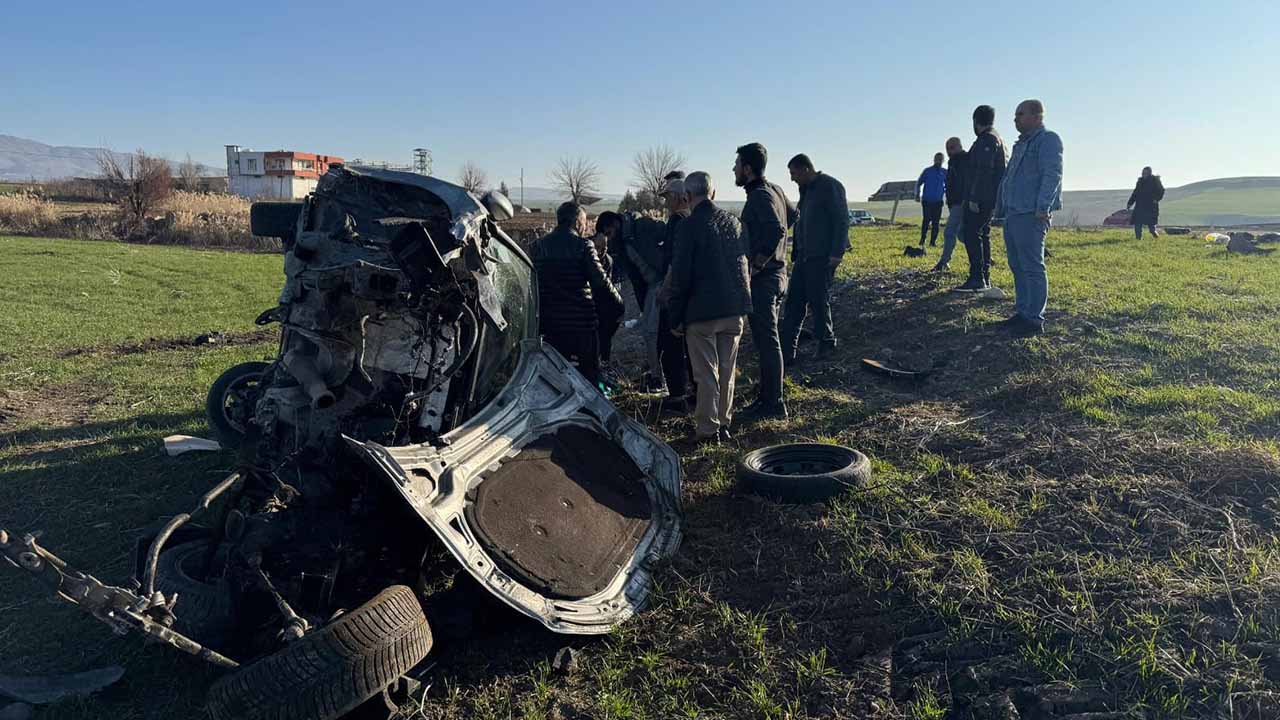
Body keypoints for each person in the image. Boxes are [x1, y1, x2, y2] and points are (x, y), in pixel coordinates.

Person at [667, 171, 752, 443]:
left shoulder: (688, 227)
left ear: (687, 197)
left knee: (706, 375)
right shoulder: (734, 223)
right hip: (734, 309)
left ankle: (707, 429)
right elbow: (744, 265)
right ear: (713, 193)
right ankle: (725, 423)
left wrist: (675, 316)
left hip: (701, 313)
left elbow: (680, 276)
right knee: (727, 370)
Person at [734, 142, 797, 421]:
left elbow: (777, 228)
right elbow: (792, 215)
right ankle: (768, 396)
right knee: (767, 340)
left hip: (766, 277)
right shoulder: (776, 190)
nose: (733, 169)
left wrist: (758, 263)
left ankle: (773, 403)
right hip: (779, 274)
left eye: (736, 165)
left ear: (747, 169)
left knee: (768, 340)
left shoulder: (759, 196)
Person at [531, 202, 623, 386]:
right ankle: (588, 412)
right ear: (576, 222)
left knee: (556, 377)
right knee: (588, 376)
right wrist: (619, 304)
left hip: (550, 325)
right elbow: (601, 283)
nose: (585, 227)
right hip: (581, 324)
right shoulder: (583, 246)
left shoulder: (538, 246)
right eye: (583, 222)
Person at [994, 99, 1063, 338]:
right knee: (1017, 266)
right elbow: (1009, 177)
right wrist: (999, 208)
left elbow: (1052, 174)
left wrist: (1043, 206)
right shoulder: (1019, 145)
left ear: (1037, 116)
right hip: (1013, 213)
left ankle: (1034, 318)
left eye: (1020, 114)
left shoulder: (1048, 140)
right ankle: (1022, 313)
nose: (1016, 119)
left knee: (1032, 266)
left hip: (1032, 214)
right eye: (1015, 115)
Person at [779, 154, 849, 365]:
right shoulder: (806, 190)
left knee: (818, 301)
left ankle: (826, 343)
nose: (792, 179)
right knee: (794, 303)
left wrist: (837, 252)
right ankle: (787, 350)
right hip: (804, 256)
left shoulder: (830, 186)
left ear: (806, 169)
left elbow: (841, 220)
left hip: (822, 257)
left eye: (794, 173)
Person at [954, 105, 1007, 293]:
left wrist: (974, 197)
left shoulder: (986, 140)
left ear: (976, 121)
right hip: (988, 197)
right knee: (982, 234)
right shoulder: (994, 138)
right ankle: (983, 278)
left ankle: (977, 277)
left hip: (981, 197)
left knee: (972, 234)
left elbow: (983, 171)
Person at [655, 174, 694, 411]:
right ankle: (685, 391)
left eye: (668, 196)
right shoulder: (688, 220)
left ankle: (678, 395)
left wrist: (665, 290)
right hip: (685, 292)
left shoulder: (679, 222)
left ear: (680, 197)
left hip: (675, 292)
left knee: (669, 344)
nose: (665, 201)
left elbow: (675, 261)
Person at [591, 212, 629, 386]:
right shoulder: (587, 249)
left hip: (604, 312)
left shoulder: (609, 257)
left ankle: (602, 371)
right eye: (614, 230)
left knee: (604, 344)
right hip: (591, 310)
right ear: (606, 229)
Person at [932, 137, 968, 272]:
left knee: (950, 232)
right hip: (956, 203)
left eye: (952, 147)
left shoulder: (963, 160)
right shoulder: (954, 162)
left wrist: (962, 200)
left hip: (961, 202)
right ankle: (984, 257)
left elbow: (964, 182)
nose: (949, 151)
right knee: (963, 234)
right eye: (947, 148)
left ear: (959, 146)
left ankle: (944, 261)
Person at [916, 153, 947, 247]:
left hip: (938, 201)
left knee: (936, 222)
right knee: (926, 220)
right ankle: (922, 239)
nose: (939, 161)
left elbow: (949, 185)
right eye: (937, 159)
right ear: (934, 159)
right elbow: (919, 182)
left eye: (940, 159)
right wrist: (917, 194)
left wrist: (947, 195)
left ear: (943, 160)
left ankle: (932, 242)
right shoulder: (928, 171)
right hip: (927, 200)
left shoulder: (945, 172)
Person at [1127, 167, 1164, 239]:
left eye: (1145, 173)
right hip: (1140, 206)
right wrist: (1130, 203)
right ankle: (1138, 239)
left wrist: (1156, 199)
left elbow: (1161, 191)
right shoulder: (1140, 181)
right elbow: (1135, 193)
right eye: (1143, 173)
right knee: (1137, 223)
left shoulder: (1155, 180)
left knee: (1151, 226)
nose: (1144, 174)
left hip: (1151, 206)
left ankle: (1155, 236)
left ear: (1149, 173)